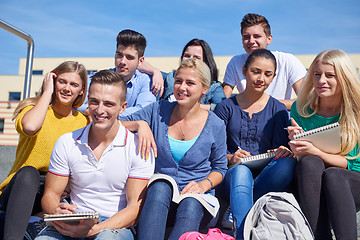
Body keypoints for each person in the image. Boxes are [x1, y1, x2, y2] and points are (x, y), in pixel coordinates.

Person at [35, 70, 155, 240]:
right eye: (94, 102)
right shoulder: (67, 142)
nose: (100, 110)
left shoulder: (138, 147)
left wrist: (94, 229)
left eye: (108, 104)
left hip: (115, 225)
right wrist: (56, 209)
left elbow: (135, 209)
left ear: (123, 107)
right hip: (74, 220)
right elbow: (50, 196)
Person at [120, 58, 228, 240]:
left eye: (190, 83)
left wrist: (202, 185)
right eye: (178, 81)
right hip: (159, 201)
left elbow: (220, 168)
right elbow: (117, 124)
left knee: (191, 203)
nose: (182, 87)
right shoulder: (157, 110)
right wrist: (140, 124)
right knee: (160, 185)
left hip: (198, 202)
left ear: (204, 89)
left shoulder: (216, 124)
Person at [0, 61, 89, 240]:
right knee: (29, 173)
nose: (67, 88)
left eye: (74, 84)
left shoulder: (84, 121)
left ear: (81, 90)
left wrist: (140, 124)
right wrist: (47, 92)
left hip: (57, 190)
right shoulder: (31, 108)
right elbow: (31, 127)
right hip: (21, 188)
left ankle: (38, 222)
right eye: (62, 81)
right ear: (53, 81)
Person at [214, 49, 296, 239]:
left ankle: (237, 208)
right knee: (241, 172)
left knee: (288, 163)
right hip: (232, 175)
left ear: (274, 76)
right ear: (244, 70)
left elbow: (281, 148)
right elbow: (214, 150)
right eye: (256, 71)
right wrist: (231, 157)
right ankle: (244, 233)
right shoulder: (225, 107)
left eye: (268, 74)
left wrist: (282, 150)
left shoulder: (279, 109)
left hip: (266, 176)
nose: (261, 78)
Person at [287, 49, 360, 239]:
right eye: (317, 75)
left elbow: (356, 163)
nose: (321, 81)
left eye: (330, 75)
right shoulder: (300, 109)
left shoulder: (357, 111)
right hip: (312, 180)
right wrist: (297, 146)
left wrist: (316, 150)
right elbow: (303, 161)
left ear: (344, 78)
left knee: (334, 175)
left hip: (350, 182)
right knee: (309, 162)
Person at [222, 13, 307, 110]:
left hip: (278, 118)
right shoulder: (235, 62)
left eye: (257, 36)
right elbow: (224, 101)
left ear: (269, 39)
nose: (251, 41)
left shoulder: (287, 61)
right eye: (246, 37)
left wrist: (265, 104)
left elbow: (306, 100)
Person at [78, 29, 156, 117]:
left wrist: (102, 112)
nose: (122, 61)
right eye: (119, 55)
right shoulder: (97, 78)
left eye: (129, 57)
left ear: (140, 61)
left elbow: (143, 111)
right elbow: (76, 103)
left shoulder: (147, 82)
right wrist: (89, 110)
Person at [138, 38, 226, 111]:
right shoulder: (169, 77)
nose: (190, 60)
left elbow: (223, 109)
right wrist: (155, 71)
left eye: (196, 57)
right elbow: (138, 63)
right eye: (187, 56)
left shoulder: (214, 87)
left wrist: (187, 105)